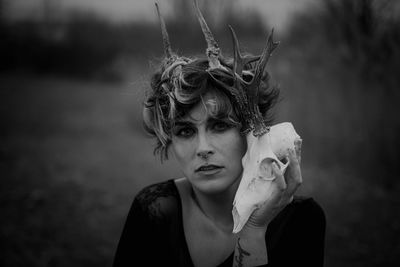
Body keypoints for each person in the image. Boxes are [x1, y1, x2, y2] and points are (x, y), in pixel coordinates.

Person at [113, 1, 325, 266]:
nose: (203, 147)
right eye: (186, 131)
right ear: (170, 139)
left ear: (250, 131)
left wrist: (254, 233)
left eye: (220, 126)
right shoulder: (154, 210)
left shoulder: (301, 219)